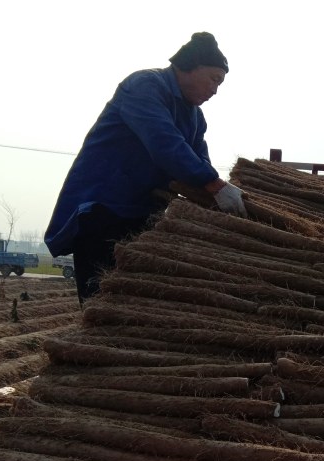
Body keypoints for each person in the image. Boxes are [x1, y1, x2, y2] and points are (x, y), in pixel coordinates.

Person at [44, 32, 247, 304]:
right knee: (102, 302)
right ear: (191, 66)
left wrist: (221, 197)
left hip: (143, 214)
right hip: (104, 209)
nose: (215, 90)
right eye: (214, 79)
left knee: (132, 302)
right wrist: (214, 184)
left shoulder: (195, 117)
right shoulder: (144, 87)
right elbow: (165, 143)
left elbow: (199, 162)